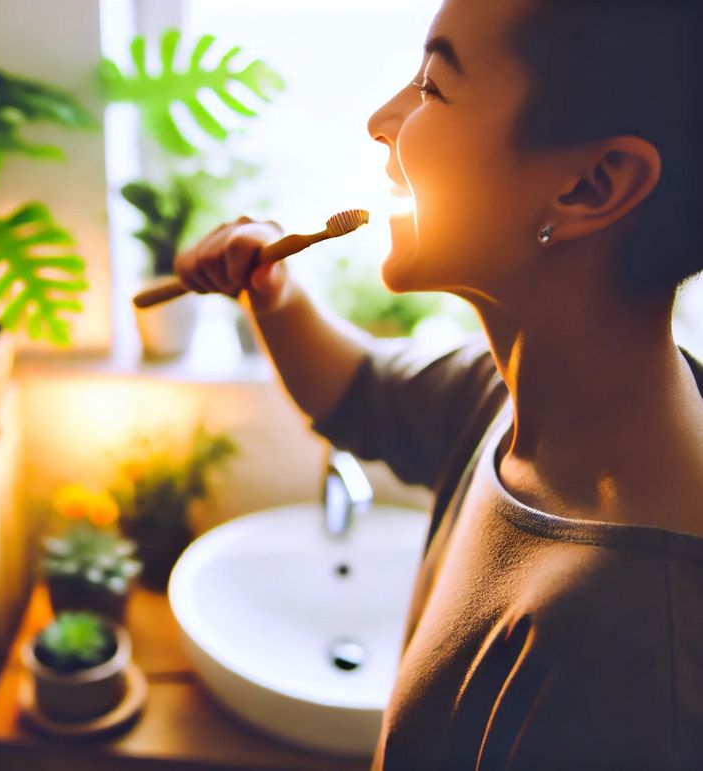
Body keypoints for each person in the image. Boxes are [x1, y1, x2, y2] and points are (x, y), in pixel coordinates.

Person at [174, 0, 703, 766]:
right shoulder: (526, 398)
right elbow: (361, 390)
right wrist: (273, 291)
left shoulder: (631, 650)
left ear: (591, 185)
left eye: (432, 86)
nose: (381, 120)